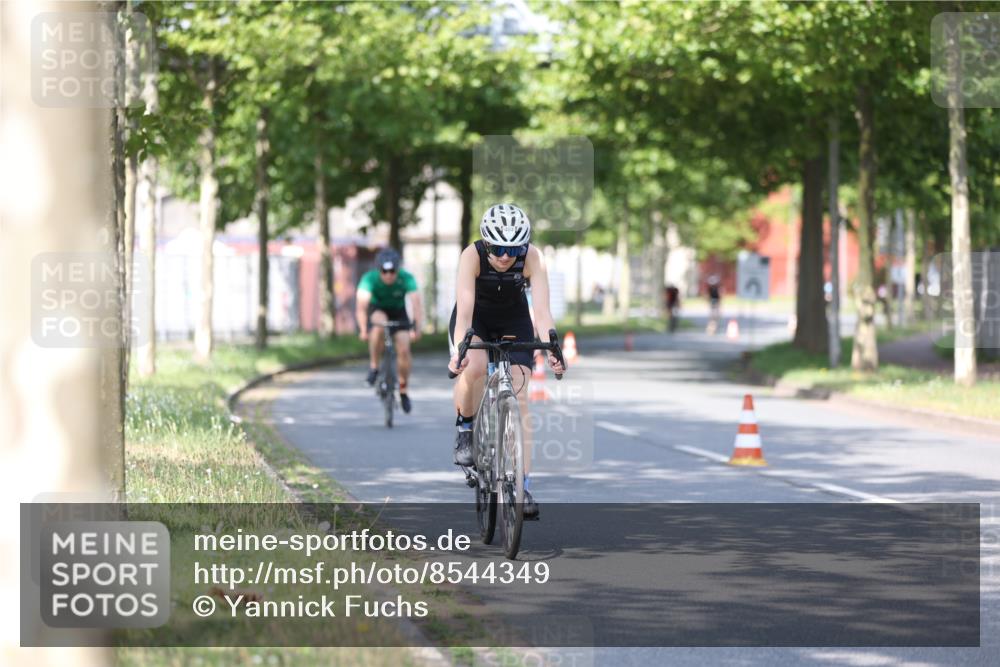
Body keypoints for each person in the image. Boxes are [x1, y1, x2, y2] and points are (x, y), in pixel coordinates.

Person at [447, 203, 564, 519]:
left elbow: (541, 312)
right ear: (486, 242)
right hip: (477, 319)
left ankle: (522, 485)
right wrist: (460, 351)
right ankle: (466, 426)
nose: (504, 255)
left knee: (520, 394)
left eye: (513, 249)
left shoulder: (533, 257)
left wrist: (553, 347)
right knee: (473, 366)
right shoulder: (471, 256)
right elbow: (465, 312)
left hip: (514, 320)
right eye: (497, 247)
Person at [355, 248, 422, 414]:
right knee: (379, 325)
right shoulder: (369, 279)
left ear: (397, 269)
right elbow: (361, 307)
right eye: (384, 271)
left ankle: (404, 390)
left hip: (399, 312)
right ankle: (374, 367)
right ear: (379, 270)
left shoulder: (406, 278)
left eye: (392, 271)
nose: (389, 275)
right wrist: (363, 329)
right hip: (378, 309)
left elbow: (416, 304)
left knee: (404, 350)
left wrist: (416, 327)